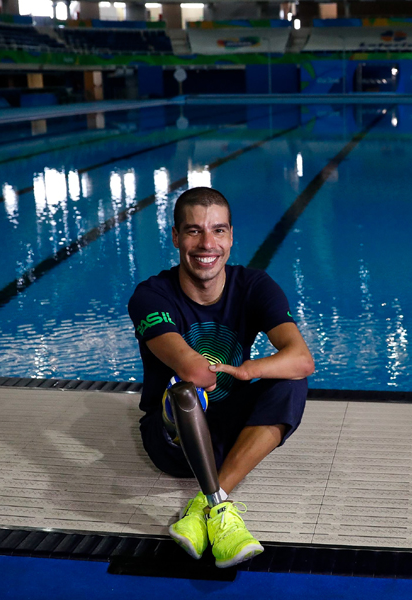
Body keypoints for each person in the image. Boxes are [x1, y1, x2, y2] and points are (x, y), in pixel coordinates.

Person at [128, 186, 314, 568]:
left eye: (218, 230)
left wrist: (250, 369)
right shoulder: (151, 296)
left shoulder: (254, 285)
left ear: (231, 236)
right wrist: (231, 373)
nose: (207, 243)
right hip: (173, 437)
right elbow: (197, 372)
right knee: (186, 392)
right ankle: (221, 508)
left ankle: (207, 504)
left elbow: (301, 359)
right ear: (176, 237)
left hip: (231, 425)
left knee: (290, 381)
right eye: (194, 231)